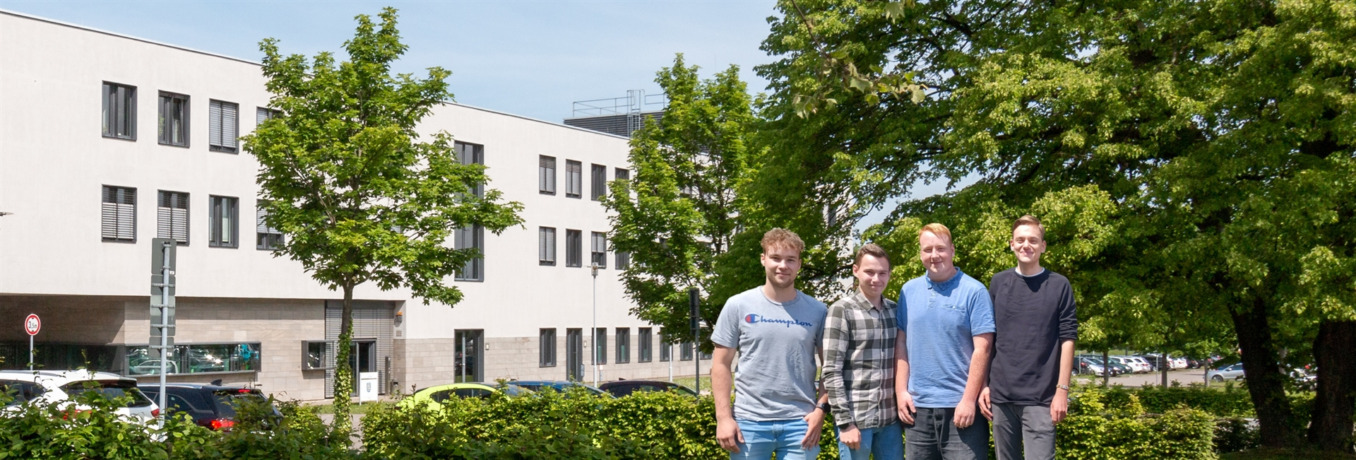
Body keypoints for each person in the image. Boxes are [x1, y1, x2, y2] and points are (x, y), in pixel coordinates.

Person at [711, 228, 829, 459]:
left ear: (799, 265)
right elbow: (720, 365)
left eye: (790, 260)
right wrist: (724, 418)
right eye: (775, 258)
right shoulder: (737, 305)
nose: (782, 265)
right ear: (763, 259)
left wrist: (820, 411)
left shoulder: (818, 310)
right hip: (749, 423)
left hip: (801, 423)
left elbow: (831, 367)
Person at [895, 223, 995, 460]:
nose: (934, 255)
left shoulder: (974, 291)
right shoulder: (908, 291)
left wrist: (969, 400)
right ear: (920, 253)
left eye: (940, 248)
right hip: (917, 410)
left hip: (961, 408)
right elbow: (901, 345)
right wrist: (901, 392)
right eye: (927, 249)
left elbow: (983, 349)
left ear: (952, 250)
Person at [980, 215, 1077, 460]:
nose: (1026, 245)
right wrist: (984, 386)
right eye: (1020, 239)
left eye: (1033, 240)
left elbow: (1068, 339)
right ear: (1011, 244)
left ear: (1043, 246)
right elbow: (988, 339)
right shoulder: (998, 282)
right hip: (1001, 396)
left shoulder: (1059, 285)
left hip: (1041, 398)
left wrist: (1062, 390)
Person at [823, 243, 904, 459]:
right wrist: (845, 422)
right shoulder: (842, 310)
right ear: (855, 270)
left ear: (889, 275)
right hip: (856, 421)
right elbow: (831, 370)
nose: (876, 279)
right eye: (869, 272)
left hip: (890, 421)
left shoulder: (895, 311)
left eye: (882, 273)